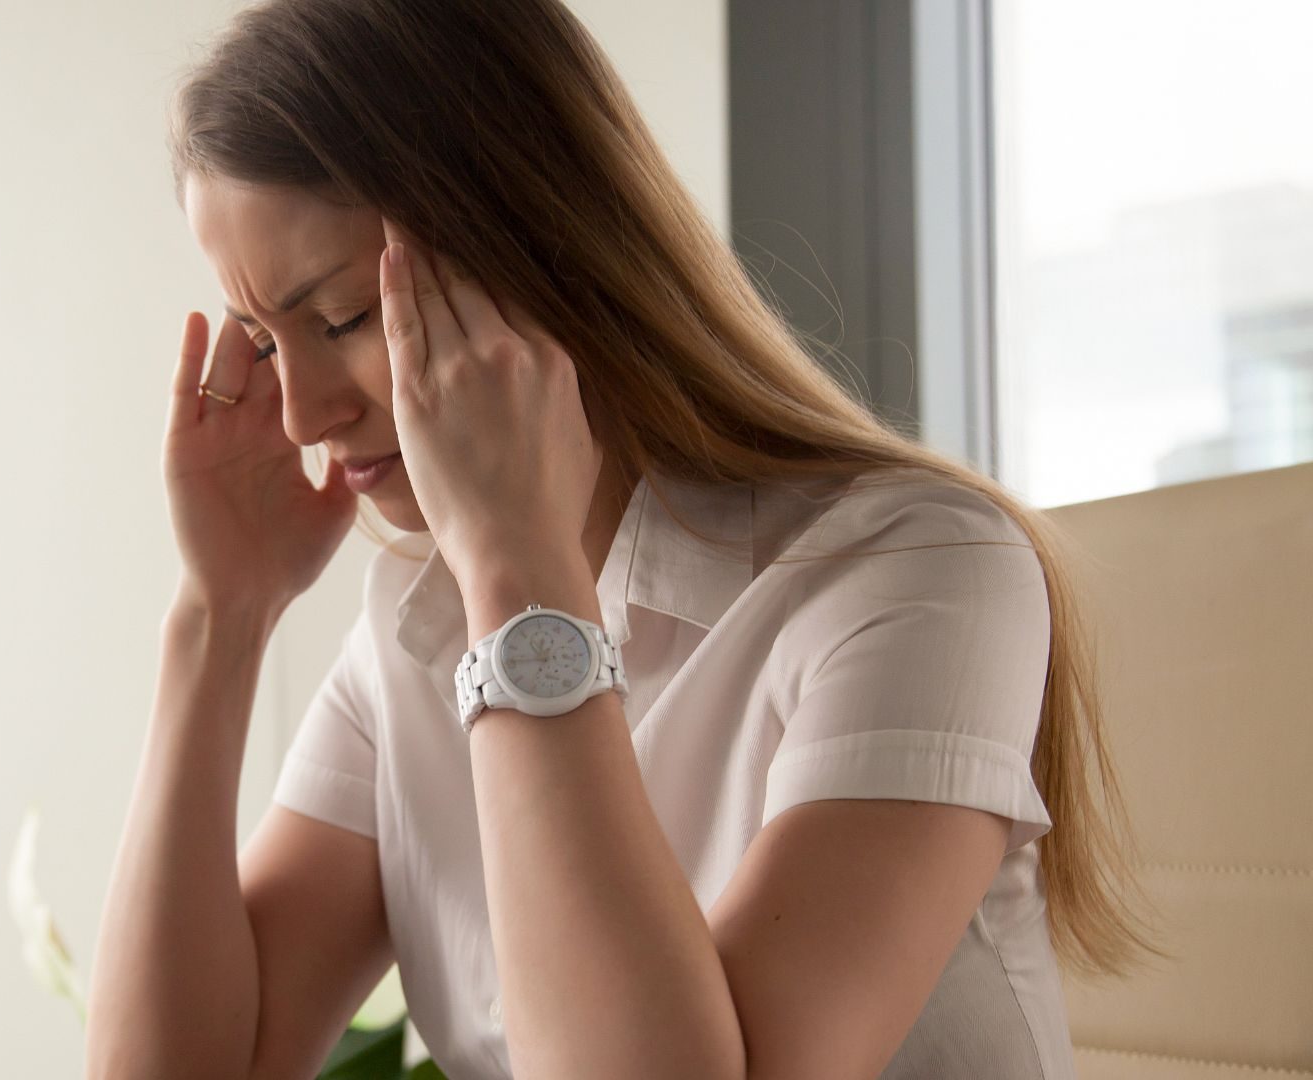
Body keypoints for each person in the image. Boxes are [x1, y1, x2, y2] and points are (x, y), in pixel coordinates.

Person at [87, 2, 1169, 1077]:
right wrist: (219, 616)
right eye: (264, 344)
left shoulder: (918, 575)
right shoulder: (412, 629)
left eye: (340, 319)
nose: (302, 417)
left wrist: (518, 573)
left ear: (536, 246)